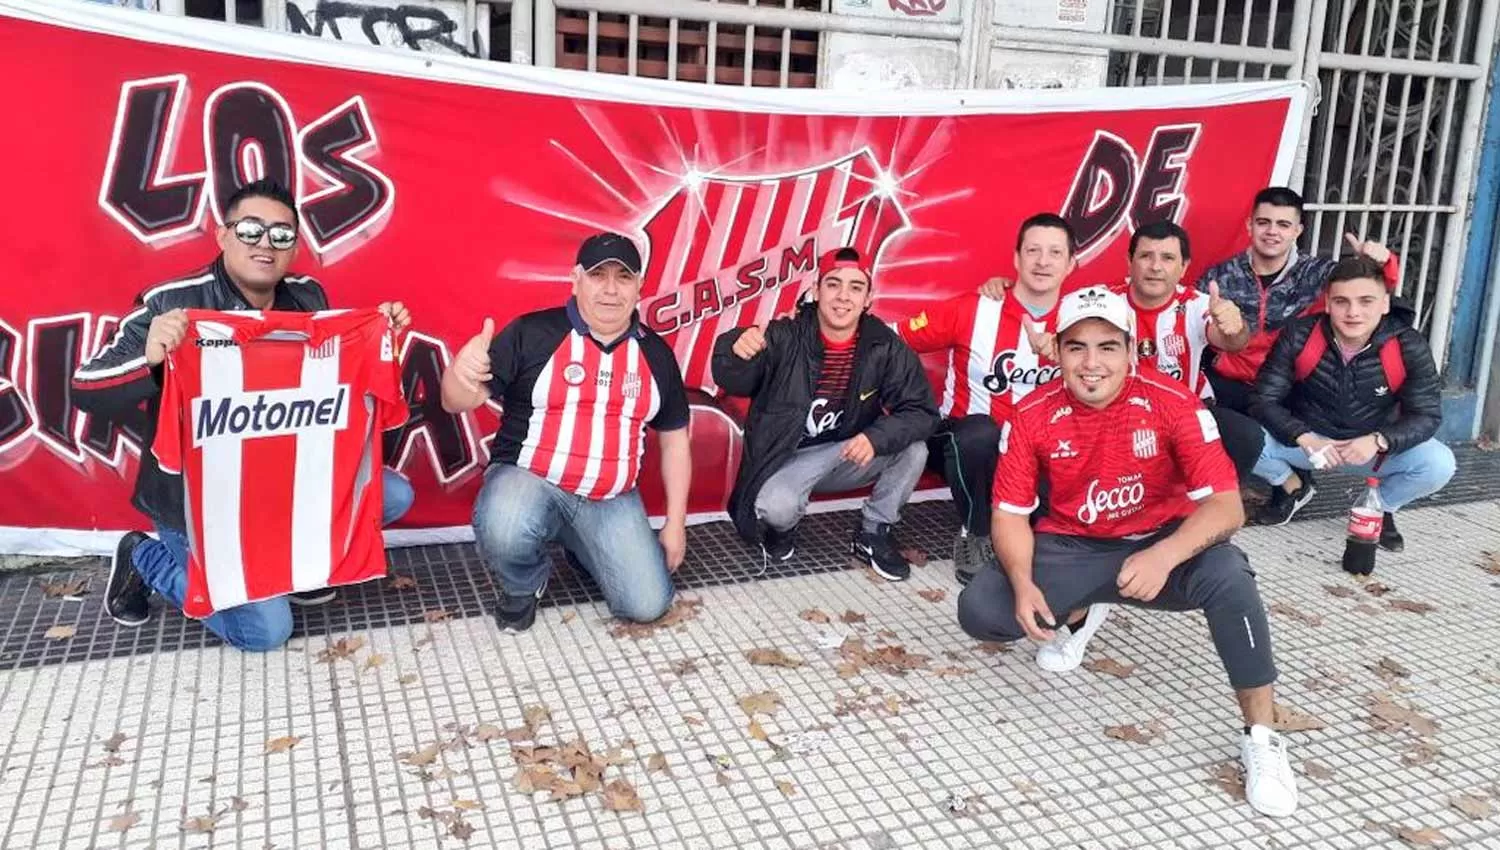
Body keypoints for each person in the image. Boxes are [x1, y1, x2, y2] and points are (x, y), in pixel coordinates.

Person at [956, 286, 1299, 819]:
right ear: (1058, 352)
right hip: (1077, 544)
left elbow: (1228, 507)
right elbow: (1009, 514)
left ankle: (1262, 736)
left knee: (1230, 575)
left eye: (1107, 347)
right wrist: (1023, 582)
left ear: (1133, 349)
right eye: (1076, 347)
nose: (1092, 364)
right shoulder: (1032, 412)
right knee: (983, 610)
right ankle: (1081, 609)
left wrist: (1165, 555)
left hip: (1159, 547)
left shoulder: (1173, 402)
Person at [73, 179, 415, 651]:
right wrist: (150, 356)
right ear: (223, 234)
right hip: (198, 505)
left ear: (295, 245)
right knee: (265, 631)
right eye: (251, 229)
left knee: (392, 494)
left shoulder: (309, 297)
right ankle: (146, 559)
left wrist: (380, 334)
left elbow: (341, 387)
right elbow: (86, 389)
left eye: (281, 234)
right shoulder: (171, 303)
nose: (265, 244)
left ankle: (296, 565)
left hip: (283, 489)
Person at [442, 232, 691, 633]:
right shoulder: (533, 332)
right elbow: (456, 401)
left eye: (623, 277)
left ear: (640, 286)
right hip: (530, 480)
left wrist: (676, 522)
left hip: (608, 499)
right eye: (597, 276)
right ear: (576, 280)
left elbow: (675, 437)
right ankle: (525, 584)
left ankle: (582, 545)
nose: (610, 290)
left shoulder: (655, 355)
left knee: (647, 604)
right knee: (505, 523)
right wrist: (459, 372)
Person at [711, 247, 938, 581]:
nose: (843, 297)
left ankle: (873, 531)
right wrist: (735, 349)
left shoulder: (884, 345)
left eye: (855, 287)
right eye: (833, 284)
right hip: (786, 458)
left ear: (868, 298)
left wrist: (876, 437)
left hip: (845, 456)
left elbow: (921, 411)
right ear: (816, 292)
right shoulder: (784, 335)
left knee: (914, 449)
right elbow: (734, 380)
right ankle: (782, 528)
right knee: (775, 506)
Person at [1195, 187, 1397, 524]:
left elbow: (1368, 292)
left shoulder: (1317, 273)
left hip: (1290, 384)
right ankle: (1289, 481)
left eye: (1283, 224)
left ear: (1298, 230)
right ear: (1249, 226)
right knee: (1200, 420)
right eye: (1264, 222)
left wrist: (1381, 264)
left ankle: (1301, 486)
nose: (1272, 231)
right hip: (1232, 382)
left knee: (1276, 423)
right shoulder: (1219, 276)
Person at [896, 213, 1078, 585]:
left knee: (1055, 541)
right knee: (979, 433)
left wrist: (1063, 355)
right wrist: (817, 327)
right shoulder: (973, 308)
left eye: (1055, 253)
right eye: (1033, 251)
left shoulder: (1084, 320)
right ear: (1016, 258)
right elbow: (891, 338)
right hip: (965, 439)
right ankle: (976, 532)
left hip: (1041, 451)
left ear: (1071, 263)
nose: (1043, 261)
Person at [1250, 255, 1455, 550]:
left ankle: (1377, 507)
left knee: (1439, 463)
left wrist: (1379, 440)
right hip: (1311, 444)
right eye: (1342, 301)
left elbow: (1427, 416)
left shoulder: (1407, 344)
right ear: (1328, 303)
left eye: (1366, 301)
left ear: (1385, 303)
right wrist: (1302, 436)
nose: (1353, 312)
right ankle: (1292, 485)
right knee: (1234, 438)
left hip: (1371, 449)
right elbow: (1263, 399)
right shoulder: (1300, 334)